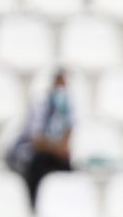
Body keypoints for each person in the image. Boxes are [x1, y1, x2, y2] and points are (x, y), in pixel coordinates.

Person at [7, 71, 76, 204]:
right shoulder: (39, 105)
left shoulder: (68, 107)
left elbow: (69, 135)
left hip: (56, 156)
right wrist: (56, 148)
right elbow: (36, 140)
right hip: (35, 156)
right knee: (38, 164)